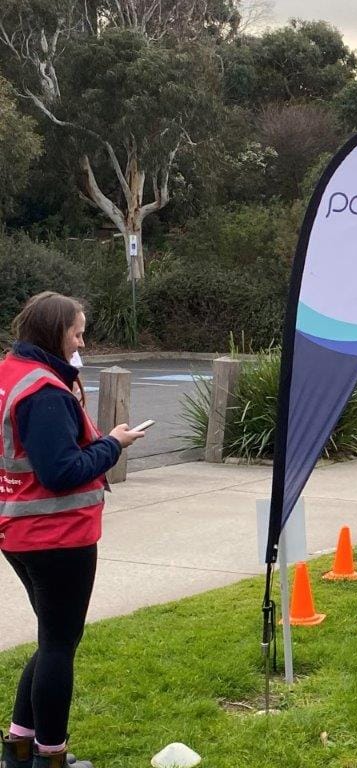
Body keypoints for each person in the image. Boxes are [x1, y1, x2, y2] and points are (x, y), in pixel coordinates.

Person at [1, 292, 145, 768]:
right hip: (56, 535)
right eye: (78, 332)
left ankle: (20, 745)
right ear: (54, 332)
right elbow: (61, 470)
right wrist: (113, 444)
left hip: (20, 531)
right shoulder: (44, 391)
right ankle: (52, 754)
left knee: (51, 638)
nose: (83, 341)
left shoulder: (11, 374)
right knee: (61, 645)